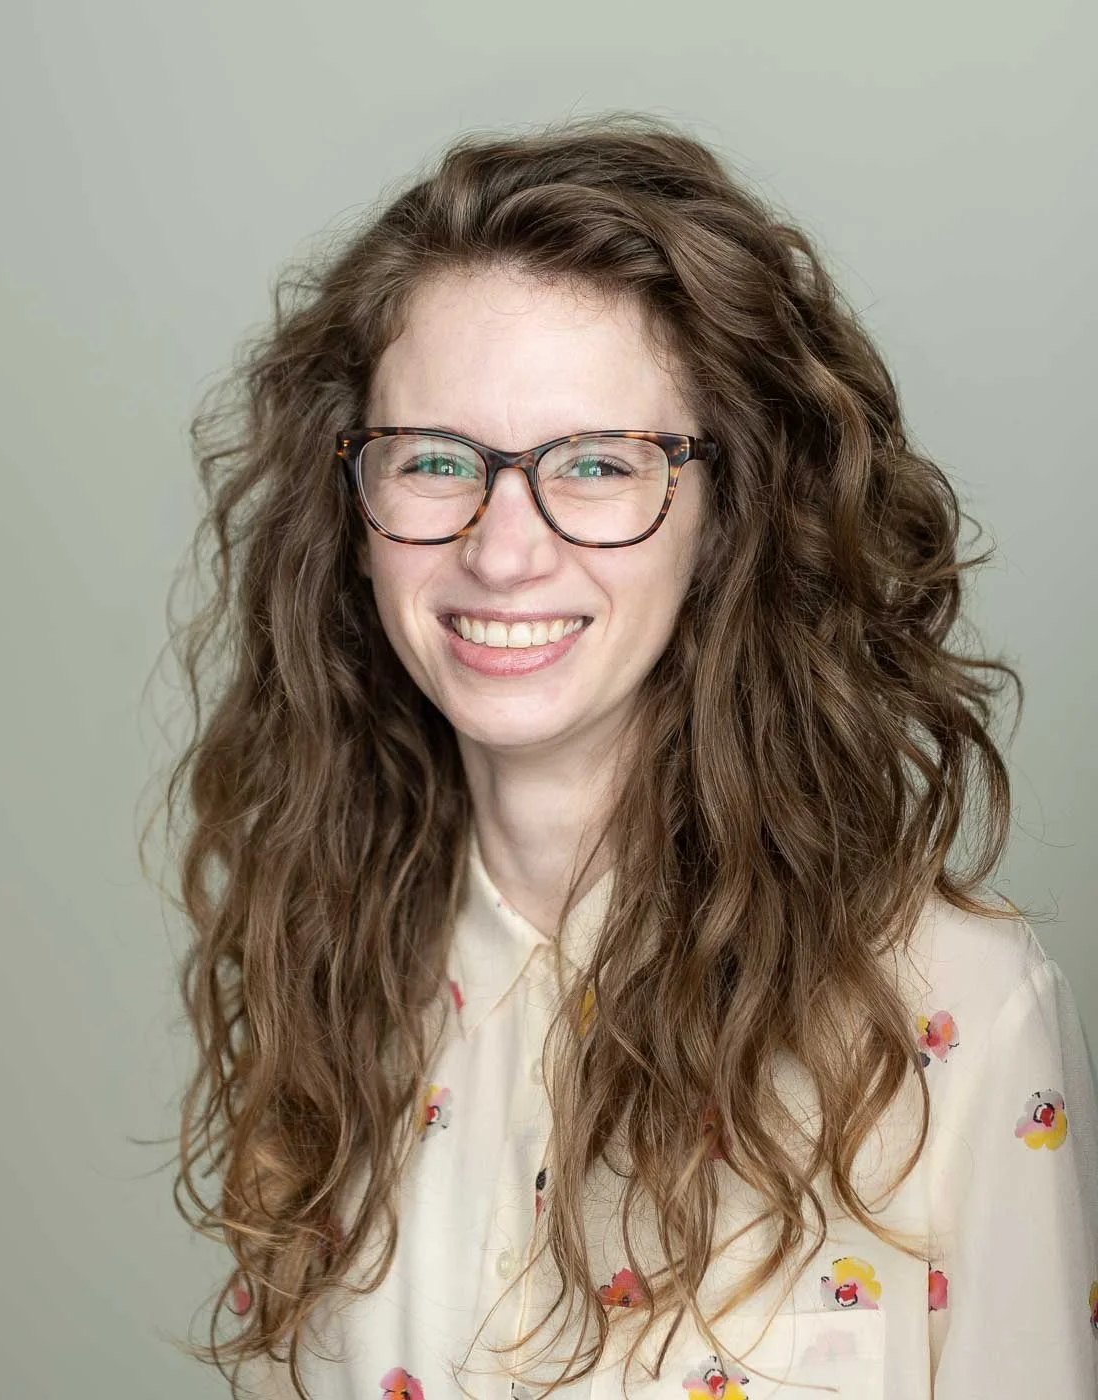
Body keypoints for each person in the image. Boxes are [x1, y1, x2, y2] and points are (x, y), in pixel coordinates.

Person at [154, 115, 1098, 1399]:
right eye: (435, 460)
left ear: (725, 515)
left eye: (597, 465)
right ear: (352, 511)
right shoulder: (323, 968)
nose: (501, 548)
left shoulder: (960, 1008)